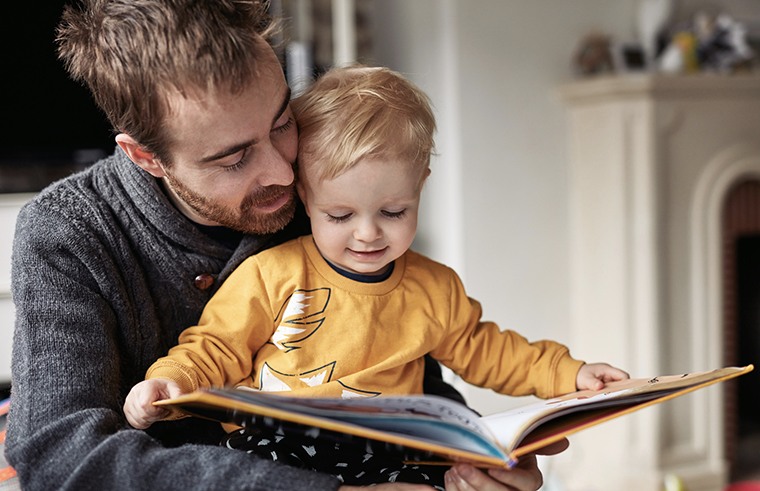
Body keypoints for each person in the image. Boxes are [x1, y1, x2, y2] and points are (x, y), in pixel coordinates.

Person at [6, 1, 572, 490]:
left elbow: (402, 366)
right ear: (145, 157)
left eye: (282, 123)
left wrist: (471, 459)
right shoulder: (69, 232)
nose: (283, 171)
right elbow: (61, 462)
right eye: (234, 158)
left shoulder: (326, 194)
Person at [123, 66, 629, 487]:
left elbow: (489, 350)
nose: (368, 235)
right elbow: (217, 346)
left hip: (390, 445)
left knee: (452, 474)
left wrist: (571, 375)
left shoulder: (435, 288)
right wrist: (172, 383)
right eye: (340, 216)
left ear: (420, 187)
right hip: (284, 442)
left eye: (393, 211)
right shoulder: (273, 272)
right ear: (304, 196)